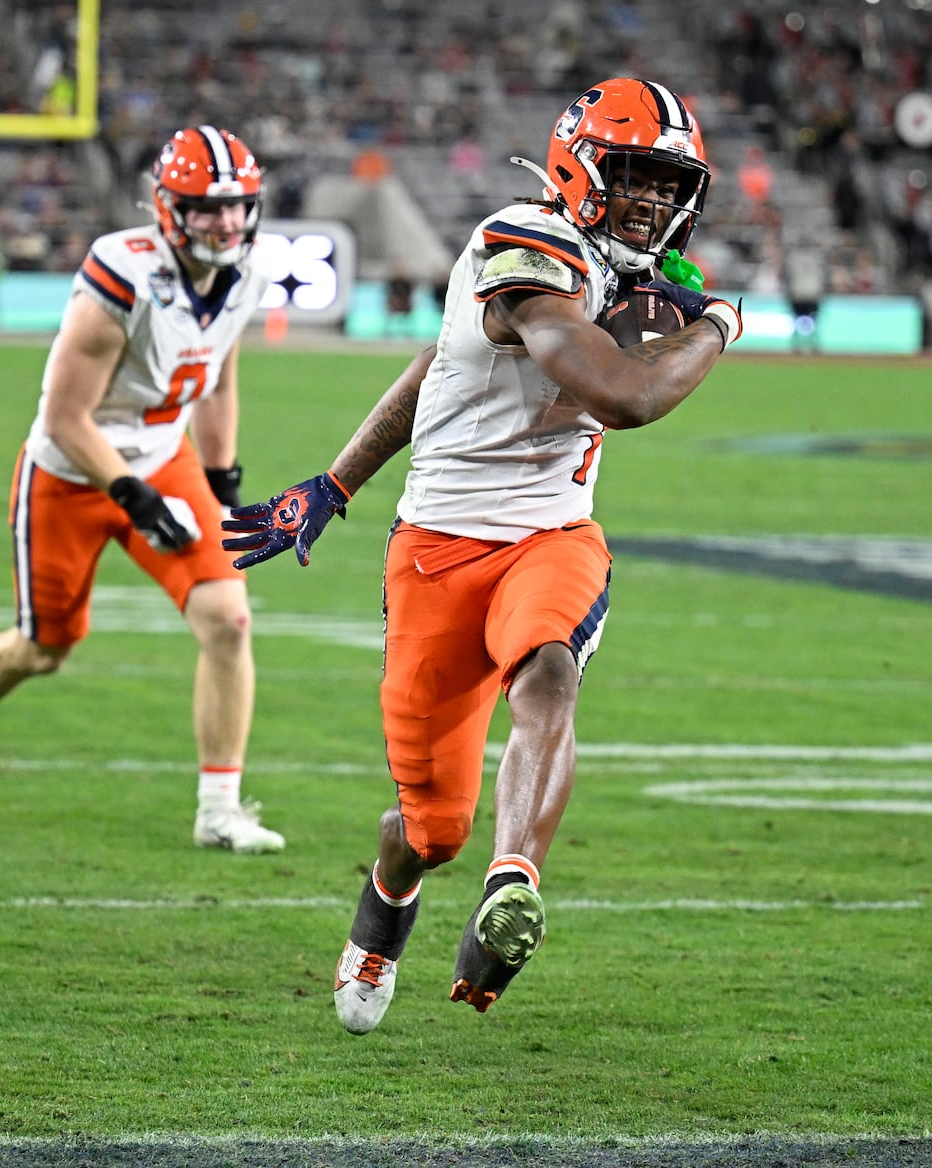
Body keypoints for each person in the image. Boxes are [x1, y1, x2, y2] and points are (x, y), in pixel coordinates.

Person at [222, 78, 742, 1032]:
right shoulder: (524, 240)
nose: (655, 203)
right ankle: (389, 903)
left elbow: (445, 359)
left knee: (549, 670)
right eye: (634, 177)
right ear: (578, 166)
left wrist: (333, 483)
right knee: (430, 828)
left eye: (671, 186)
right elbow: (616, 395)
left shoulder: (634, 273)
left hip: (552, 534)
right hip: (436, 555)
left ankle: (517, 883)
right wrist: (717, 328)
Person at [0, 125, 285, 854]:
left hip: (164, 457)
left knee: (229, 618)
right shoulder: (121, 273)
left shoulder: (246, 273)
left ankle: (219, 807)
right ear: (168, 207)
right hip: (71, 471)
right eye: (207, 207)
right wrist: (132, 495)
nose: (227, 222)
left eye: (237, 206)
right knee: (46, 647)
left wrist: (221, 478)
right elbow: (65, 417)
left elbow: (218, 378)